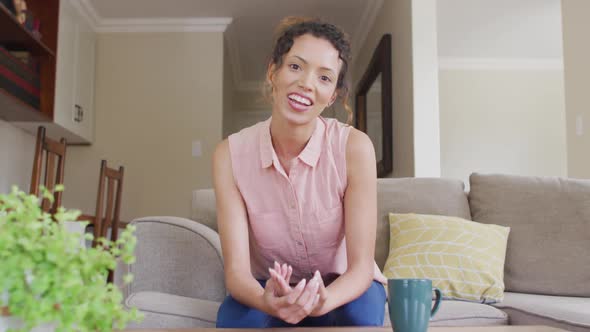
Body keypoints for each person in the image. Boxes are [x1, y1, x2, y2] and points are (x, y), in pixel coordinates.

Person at [212, 16, 387, 328]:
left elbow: (360, 268)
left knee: (359, 317)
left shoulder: (355, 148)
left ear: (333, 95)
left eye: (324, 78)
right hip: (268, 287)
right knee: (237, 322)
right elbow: (237, 274)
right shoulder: (229, 155)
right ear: (273, 72)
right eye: (295, 66)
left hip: (341, 287)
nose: (306, 83)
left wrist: (325, 301)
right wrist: (267, 300)